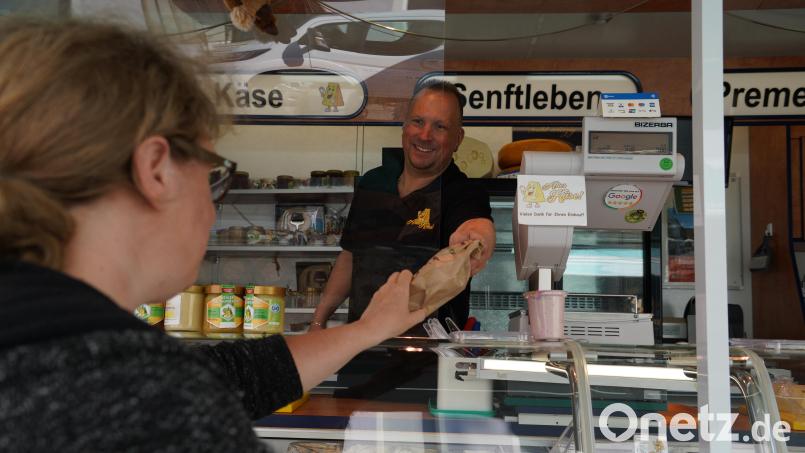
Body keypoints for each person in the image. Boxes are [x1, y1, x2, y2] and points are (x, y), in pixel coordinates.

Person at [0, 19, 427, 453]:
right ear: (156, 171)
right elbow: (179, 391)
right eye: (213, 179)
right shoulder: (145, 406)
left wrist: (367, 330)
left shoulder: (54, 350)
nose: (210, 211)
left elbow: (226, 376)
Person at [311, 80, 496, 332]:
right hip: (361, 347)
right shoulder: (374, 182)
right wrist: (318, 322)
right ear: (404, 126)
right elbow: (350, 257)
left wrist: (480, 237)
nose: (425, 135)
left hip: (429, 356)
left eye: (440, 126)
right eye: (418, 122)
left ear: (458, 139)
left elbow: (477, 224)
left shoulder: (462, 192)